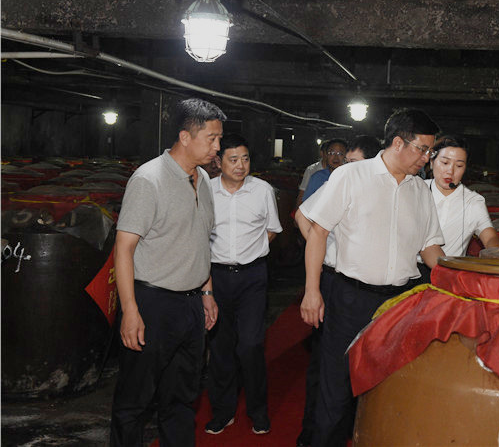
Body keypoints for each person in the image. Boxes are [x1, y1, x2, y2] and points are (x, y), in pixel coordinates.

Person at [301, 109, 445, 447]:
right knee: (336, 389)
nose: (427, 158)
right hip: (349, 298)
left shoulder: (420, 190)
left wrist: (458, 278)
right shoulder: (351, 176)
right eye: (423, 149)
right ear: (398, 143)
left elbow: (430, 246)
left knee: (387, 387)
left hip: (398, 304)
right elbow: (318, 232)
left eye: (430, 151)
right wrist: (312, 291)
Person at [110, 98, 226, 447]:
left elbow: (199, 239)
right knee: (135, 400)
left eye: (219, 139)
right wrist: (130, 310)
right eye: (211, 139)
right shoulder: (149, 179)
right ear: (185, 137)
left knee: (182, 397)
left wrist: (206, 291)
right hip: (152, 302)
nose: (217, 147)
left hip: (191, 305)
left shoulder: (202, 179)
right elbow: (123, 249)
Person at [293, 134, 382, 447]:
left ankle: (350, 427)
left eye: (355, 163)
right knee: (325, 363)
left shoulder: (382, 189)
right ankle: (313, 431)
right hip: (333, 278)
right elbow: (302, 215)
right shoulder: (336, 182)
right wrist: (325, 247)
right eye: (347, 161)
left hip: (363, 284)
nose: (347, 167)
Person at [204, 134, 283, 436]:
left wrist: (251, 251)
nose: (240, 165)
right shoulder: (206, 191)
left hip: (253, 277)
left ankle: (258, 411)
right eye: (233, 159)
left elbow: (272, 230)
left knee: (251, 345)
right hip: (216, 276)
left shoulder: (262, 190)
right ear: (218, 161)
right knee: (220, 346)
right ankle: (223, 412)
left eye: (245, 159)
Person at [419, 135, 499, 281]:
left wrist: (497, 255)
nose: (450, 171)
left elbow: (490, 237)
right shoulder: (416, 190)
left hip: (453, 275)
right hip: (413, 273)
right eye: (445, 163)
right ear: (432, 162)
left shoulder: (473, 201)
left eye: (459, 166)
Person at [297, 140, 328, 205]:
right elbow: (303, 191)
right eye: (328, 152)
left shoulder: (339, 170)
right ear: (321, 153)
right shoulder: (311, 170)